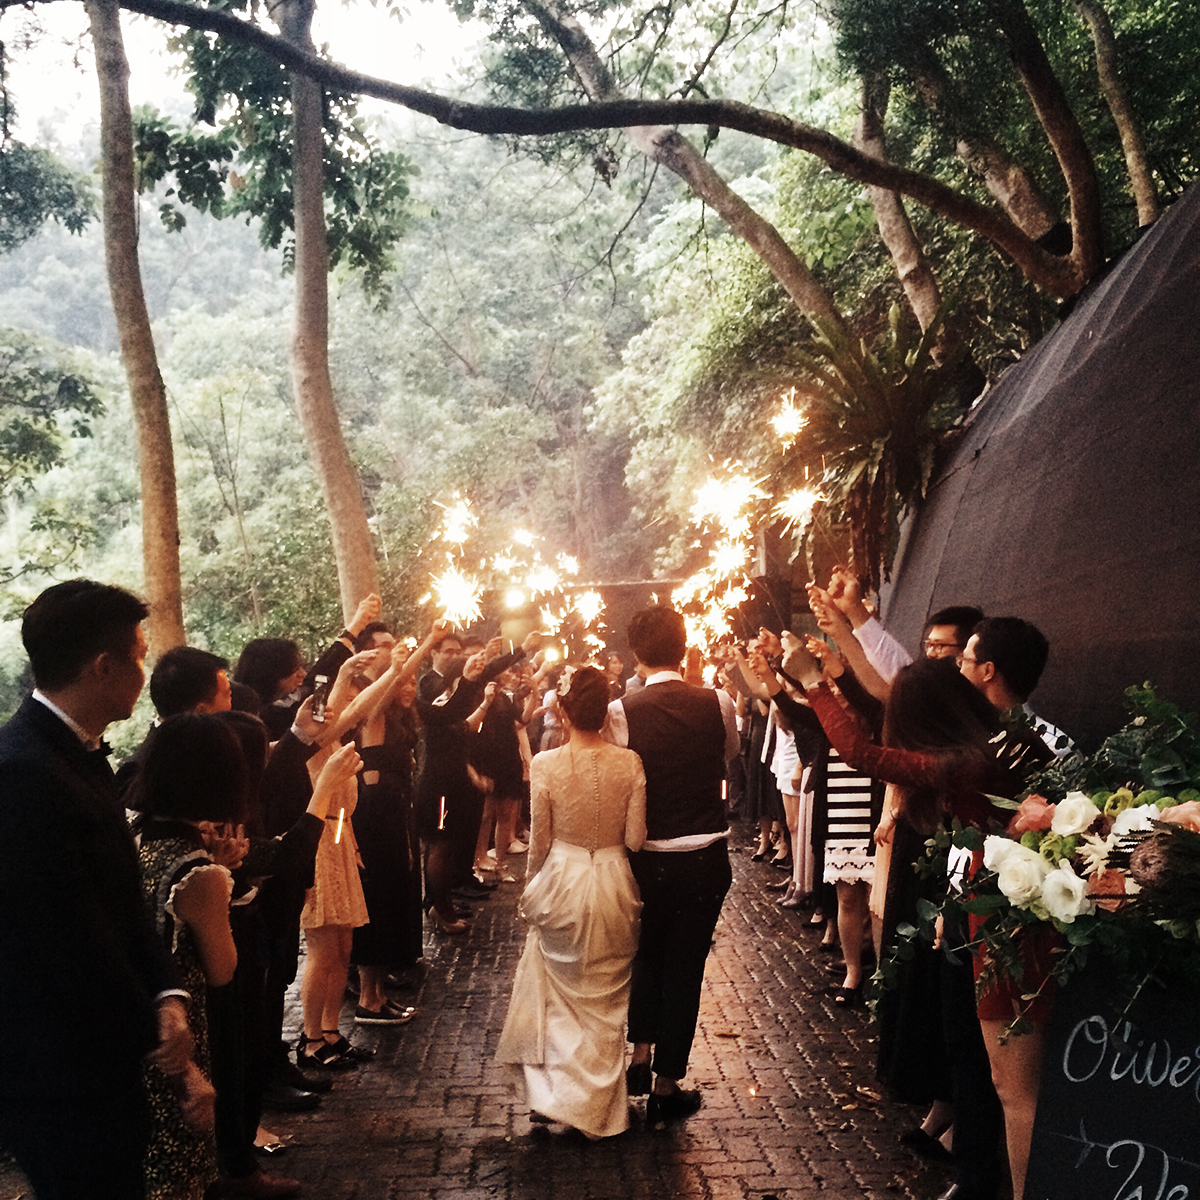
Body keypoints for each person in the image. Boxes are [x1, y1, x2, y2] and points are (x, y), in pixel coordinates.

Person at [0, 579, 207, 1200]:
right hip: (59, 1069)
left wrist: (169, 993)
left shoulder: (76, 753)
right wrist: (169, 1049)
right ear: (103, 666)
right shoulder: (21, 771)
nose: (146, 669)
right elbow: (64, 937)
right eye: (140, 655)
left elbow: (120, 900)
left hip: (100, 1058)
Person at [496, 666, 647, 1138]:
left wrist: (531, 887)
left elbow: (539, 841)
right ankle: (598, 1107)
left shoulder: (546, 764)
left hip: (563, 878)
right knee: (607, 998)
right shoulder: (631, 762)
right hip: (614, 879)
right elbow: (635, 838)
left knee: (560, 995)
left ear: (562, 709)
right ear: (605, 711)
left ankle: (555, 1098)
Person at [607, 606, 740, 1123]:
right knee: (685, 967)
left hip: (647, 856)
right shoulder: (718, 701)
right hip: (705, 853)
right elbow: (728, 754)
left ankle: (639, 1056)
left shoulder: (622, 711)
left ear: (636, 654)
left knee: (647, 955)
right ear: (683, 647)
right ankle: (666, 1084)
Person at [129, 714, 248, 1200]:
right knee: (181, 1172)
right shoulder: (198, 873)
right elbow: (222, 969)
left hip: (133, 1029)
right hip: (180, 1036)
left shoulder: (132, 839)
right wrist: (223, 876)